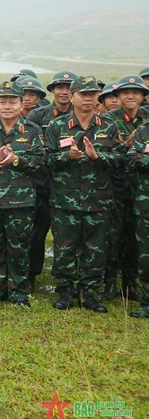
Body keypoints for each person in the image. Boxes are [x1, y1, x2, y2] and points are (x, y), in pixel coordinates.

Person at [45, 76, 122, 312]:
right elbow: (45, 159)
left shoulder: (108, 126)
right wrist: (66, 156)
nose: (88, 98)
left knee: (95, 248)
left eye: (92, 94)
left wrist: (98, 157)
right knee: (65, 246)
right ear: (73, 96)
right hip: (64, 200)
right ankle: (66, 291)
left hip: (98, 200)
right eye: (83, 94)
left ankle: (89, 292)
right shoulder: (57, 126)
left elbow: (120, 159)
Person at [0, 81, 45, 307]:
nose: (7, 106)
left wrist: (17, 159)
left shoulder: (33, 131)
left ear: (20, 103)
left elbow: (41, 162)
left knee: (19, 246)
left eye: (12, 101)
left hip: (20, 200)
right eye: (2, 101)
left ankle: (19, 291)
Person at [25, 70, 78, 290]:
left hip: (72, 188)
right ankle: (31, 274)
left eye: (68, 88)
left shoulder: (82, 114)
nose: (64, 92)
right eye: (59, 87)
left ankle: (67, 280)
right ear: (52, 91)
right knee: (36, 234)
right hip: (42, 186)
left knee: (68, 236)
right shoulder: (38, 116)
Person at [98, 74, 149, 300]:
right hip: (116, 185)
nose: (130, 96)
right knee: (114, 234)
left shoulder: (148, 118)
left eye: (135, 92)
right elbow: (104, 152)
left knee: (136, 236)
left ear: (142, 96)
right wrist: (126, 147)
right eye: (126, 92)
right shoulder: (109, 120)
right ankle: (110, 282)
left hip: (141, 187)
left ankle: (130, 283)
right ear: (117, 96)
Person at [126, 121, 149, 318]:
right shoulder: (143, 130)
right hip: (146, 204)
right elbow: (132, 158)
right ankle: (147, 302)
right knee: (146, 256)